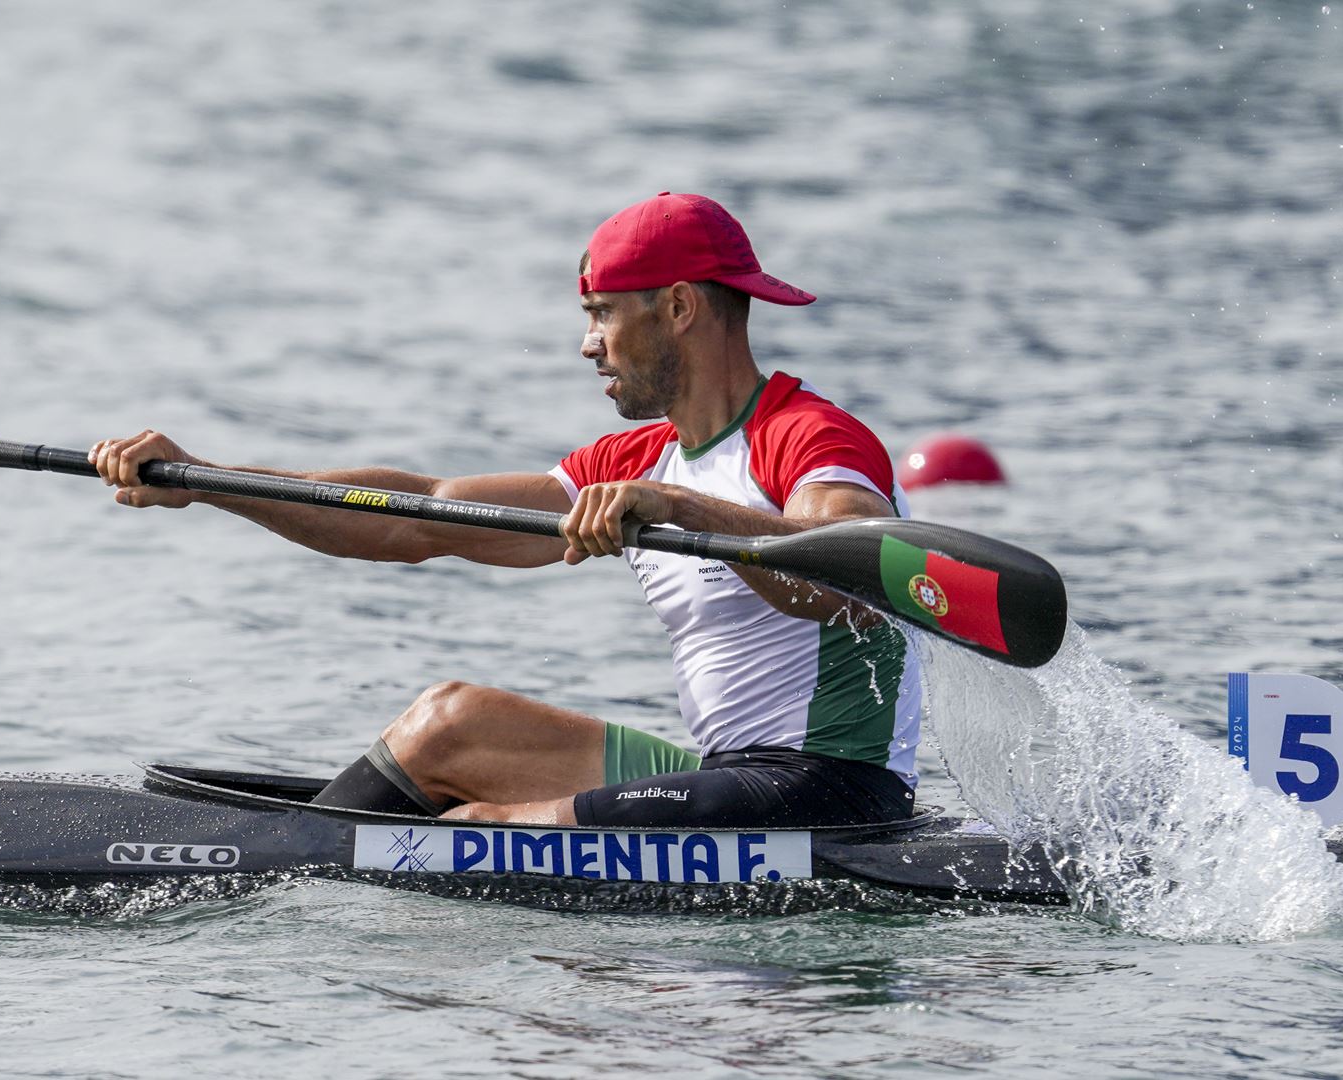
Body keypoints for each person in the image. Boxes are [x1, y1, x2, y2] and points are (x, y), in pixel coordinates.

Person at [91, 191, 920, 830]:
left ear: (675, 307)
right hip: (723, 772)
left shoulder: (811, 439)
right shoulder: (635, 459)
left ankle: (279, 872)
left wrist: (676, 507)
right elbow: (417, 515)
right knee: (452, 725)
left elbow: (845, 578)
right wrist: (208, 480)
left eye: (601, 314)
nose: (588, 344)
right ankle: (302, 854)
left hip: (823, 792)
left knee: (477, 813)